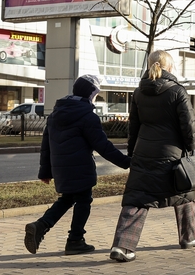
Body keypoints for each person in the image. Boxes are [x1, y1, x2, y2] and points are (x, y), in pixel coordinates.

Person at [109, 49, 195, 263]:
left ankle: (122, 246)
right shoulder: (177, 91)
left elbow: (133, 126)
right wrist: (190, 149)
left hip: (144, 152)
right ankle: (191, 236)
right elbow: (189, 125)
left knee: (137, 198)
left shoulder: (139, 92)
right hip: (171, 153)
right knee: (183, 192)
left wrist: (133, 152)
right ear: (170, 67)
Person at [24, 75, 131, 255]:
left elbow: (46, 146)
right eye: (96, 94)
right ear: (90, 94)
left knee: (67, 199)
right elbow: (103, 146)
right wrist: (127, 163)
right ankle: (75, 240)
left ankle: (41, 226)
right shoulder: (87, 116)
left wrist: (45, 172)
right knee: (83, 200)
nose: (96, 98)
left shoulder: (56, 114)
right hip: (81, 167)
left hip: (61, 168)